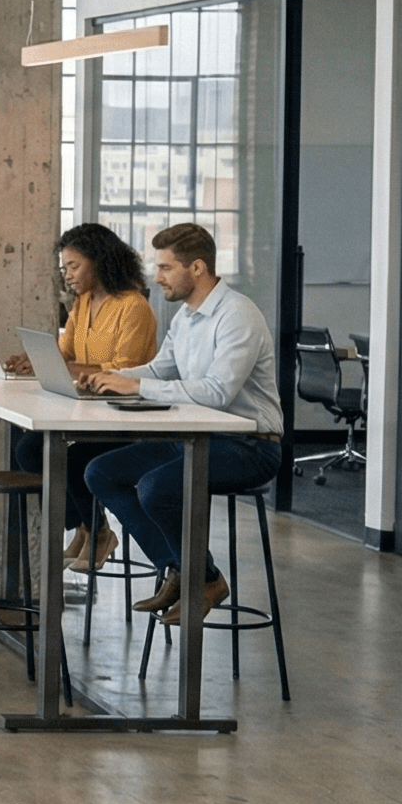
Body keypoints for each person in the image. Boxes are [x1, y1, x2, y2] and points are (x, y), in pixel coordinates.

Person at [84, 223, 285, 626]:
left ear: (197, 268)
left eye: (164, 268)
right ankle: (183, 570)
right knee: (101, 472)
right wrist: (107, 377)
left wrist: (135, 385)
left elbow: (217, 392)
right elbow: (160, 370)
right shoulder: (187, 317)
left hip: (250, 445)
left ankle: (203, 579)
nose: (156, 279)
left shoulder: (237, 315)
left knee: (157, 487)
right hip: (198, 437)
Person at [3, 224, 159, 572]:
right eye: (65, 268)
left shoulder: (133, 307)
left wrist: (68, 366)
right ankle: (88, 526)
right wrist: (36, 361)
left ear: (99, 261)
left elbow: (126, 372)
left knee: (73, 460)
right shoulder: (83, 303)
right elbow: (65, 353)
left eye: (73, 266)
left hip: (124, 417)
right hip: (87, 411)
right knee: (29, 448)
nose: (68, 275)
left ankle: (98, 530)